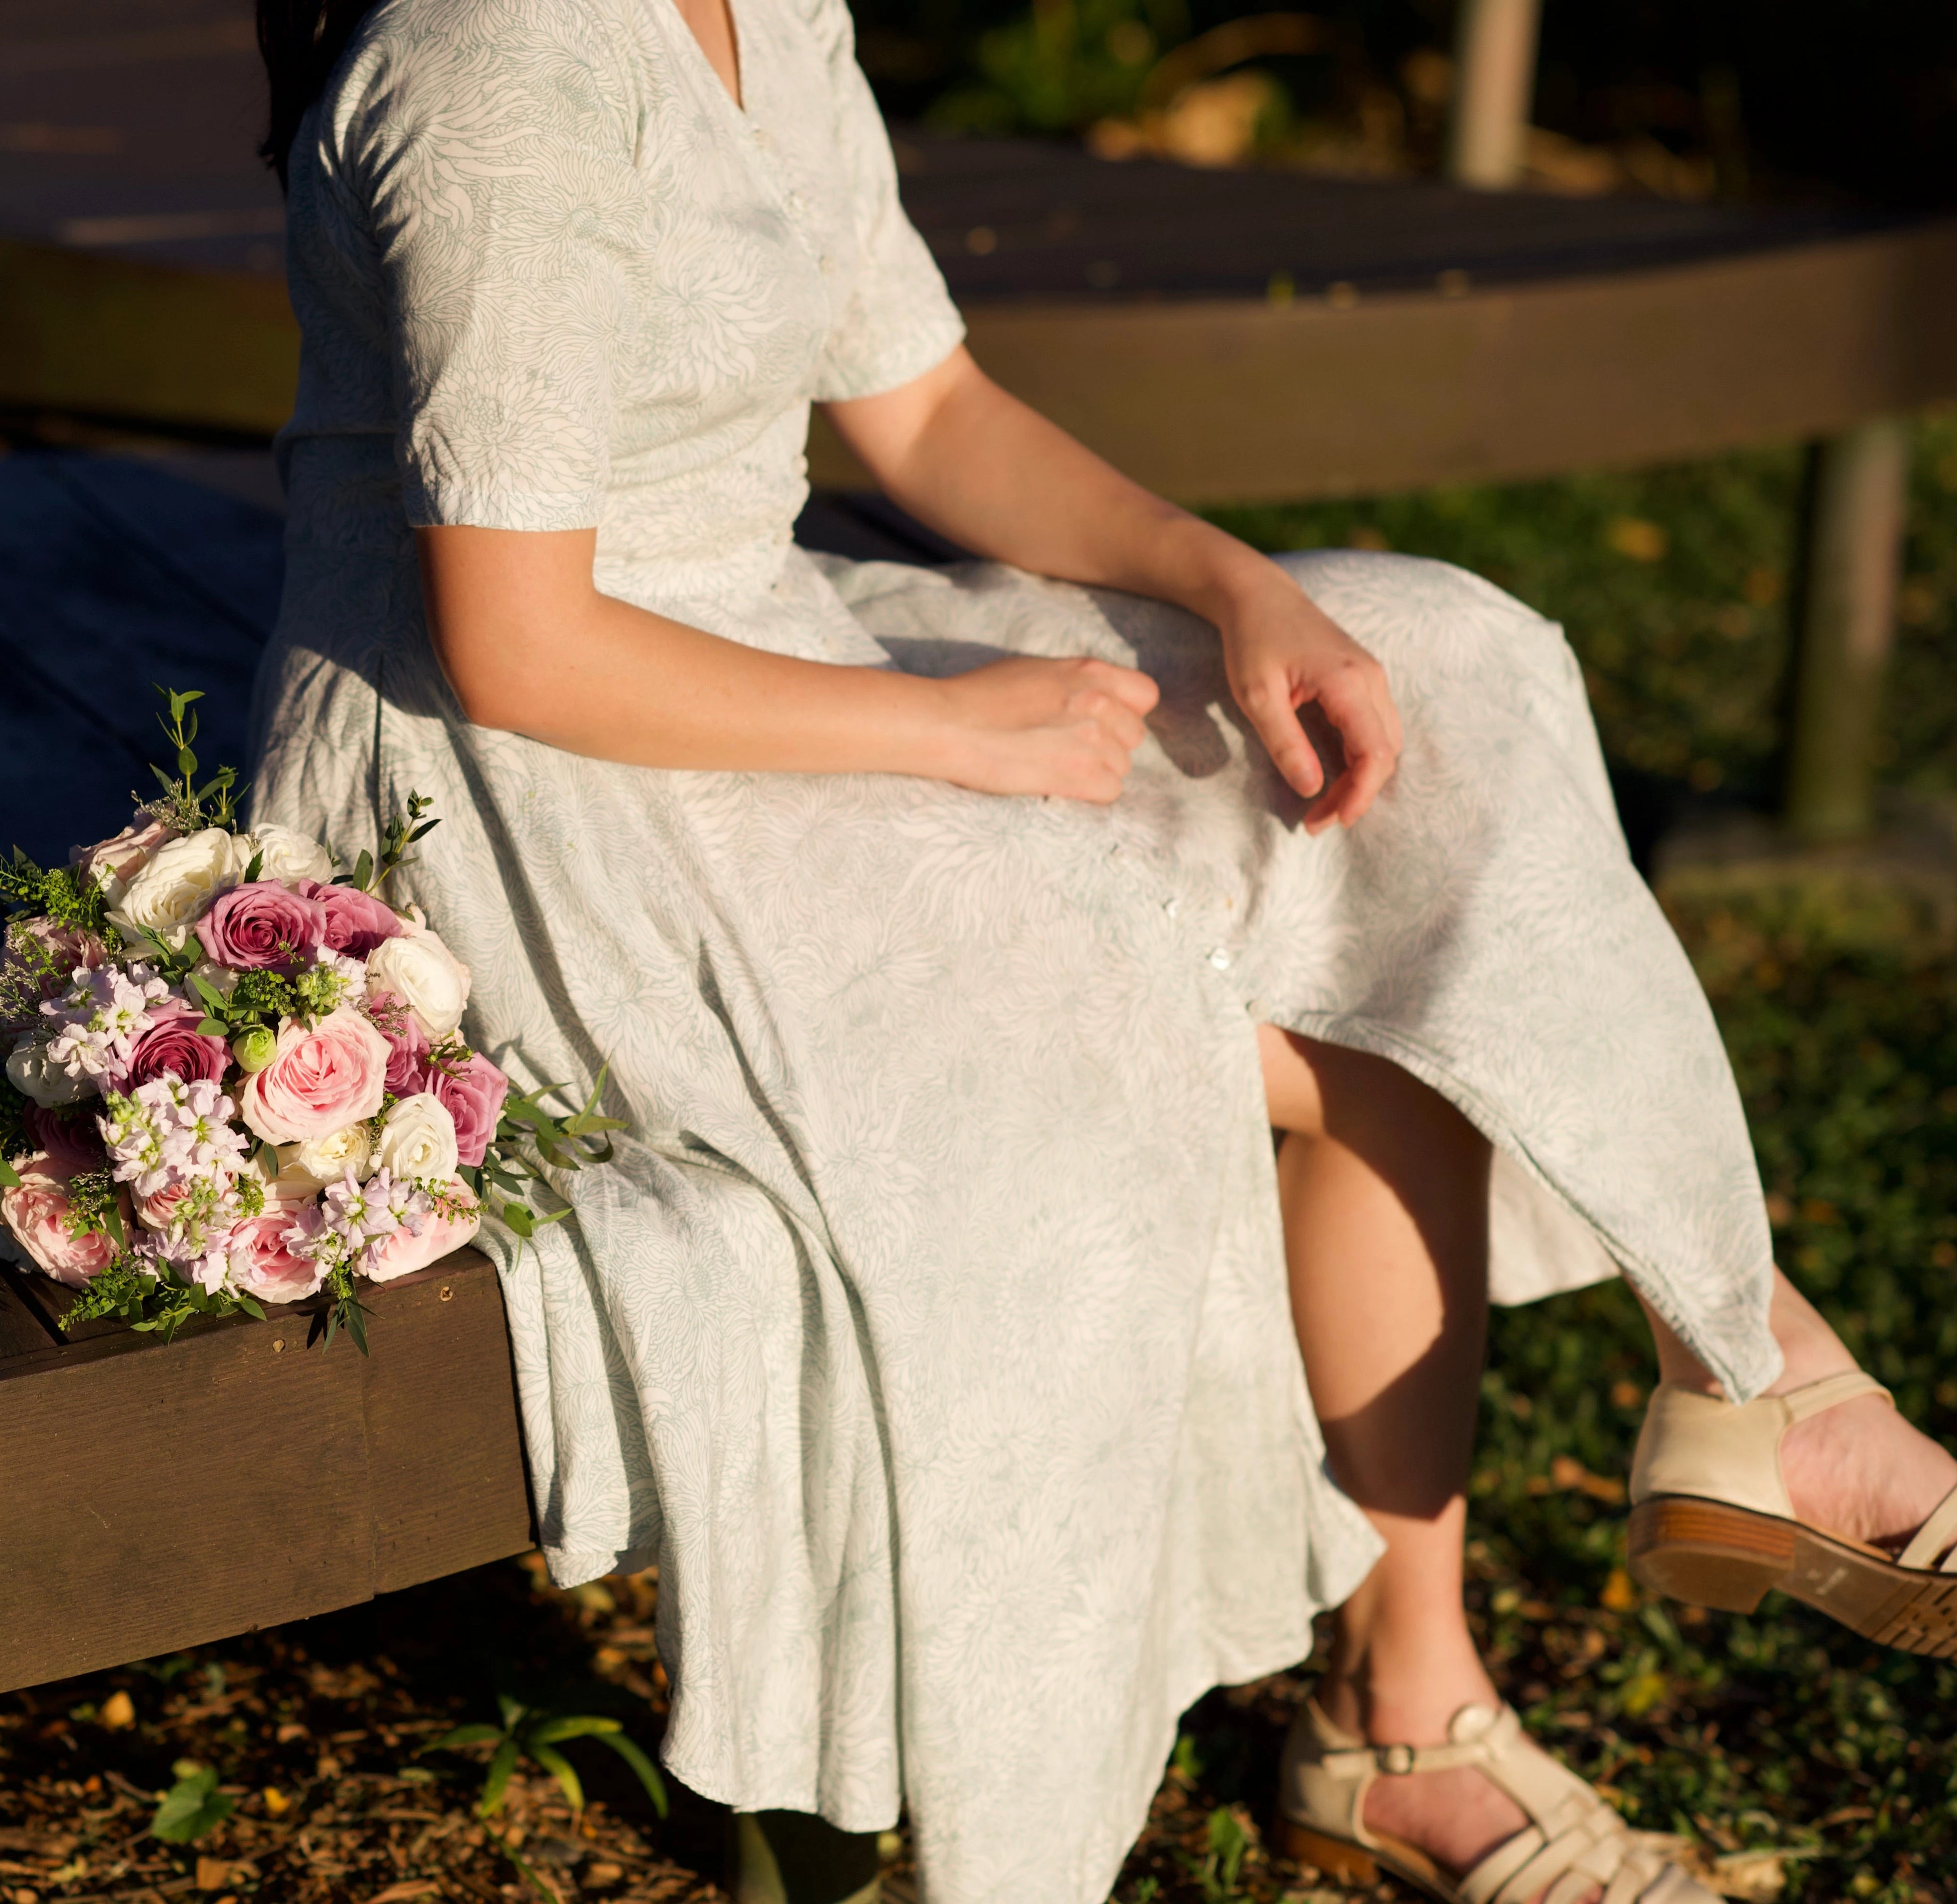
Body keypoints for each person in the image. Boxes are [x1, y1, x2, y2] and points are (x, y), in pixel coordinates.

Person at [243, 0, 1957, 1895]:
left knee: (1447, 664)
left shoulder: (761, 11)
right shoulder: (503, 60)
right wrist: (954, 727)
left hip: (770, 640)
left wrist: (1238, 589)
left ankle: (1696, 1402)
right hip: (532, 791)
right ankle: (1562, 1561)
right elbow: (517, 645)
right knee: (1378, 1047)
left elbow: (926, 411)